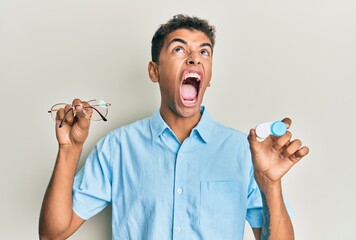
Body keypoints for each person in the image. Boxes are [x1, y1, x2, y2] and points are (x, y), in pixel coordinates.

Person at [39, 14, 309, 240]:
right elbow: (53, 233)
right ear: (154, 71)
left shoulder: (244, 151)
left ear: (210, 74)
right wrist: (69, 149)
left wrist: (271, 184)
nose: (194, 58)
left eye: (204, 51)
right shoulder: (118, 147)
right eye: (179, 49)